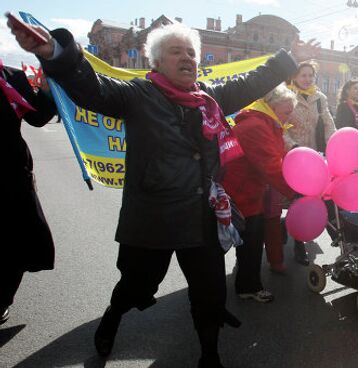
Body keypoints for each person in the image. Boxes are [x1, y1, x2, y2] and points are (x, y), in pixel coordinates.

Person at [11, 21, 298, 367]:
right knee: (136, 286)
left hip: (203, 216)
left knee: (209, 293)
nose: (187, 58)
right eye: (176, 52)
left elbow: (250, 81)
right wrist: (55, 53)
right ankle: (113, 317)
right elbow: (92, 87)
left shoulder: (210, 96)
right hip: (153, 218)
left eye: (192, 52)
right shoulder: (137, 95)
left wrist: (287, 60)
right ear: (157, 62)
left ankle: (210, 356)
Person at [222, 85, 298, 300]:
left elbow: (278, 157)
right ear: (272, 107)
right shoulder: (257, 126)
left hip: (246, 191)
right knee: (248, 241)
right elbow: (272, 166)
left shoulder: (266, 123)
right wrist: (296, 192)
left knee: (249, 241)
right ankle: (247, 288)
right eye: (287, 111)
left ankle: (246, 286)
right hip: (240, 192)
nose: (290, 116)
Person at [2, 62, 57, 326]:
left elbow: (37, 117)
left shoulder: (11, 76)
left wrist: (47, 92)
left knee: (20, 241)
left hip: (12, 176)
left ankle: (2, 300)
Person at [284, 60, 336, 265]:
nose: (306, 79)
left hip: (316, 157)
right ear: (295, 77)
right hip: (295, 157)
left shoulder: (320, 98)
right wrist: (293, 147)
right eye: (302, 75)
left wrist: (334, 146)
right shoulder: (287, 97)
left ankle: (337, 236)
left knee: (326, 196)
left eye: (310, 75)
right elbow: (280, 128)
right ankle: (299, 245)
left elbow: (329, 125)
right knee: (299, 200)